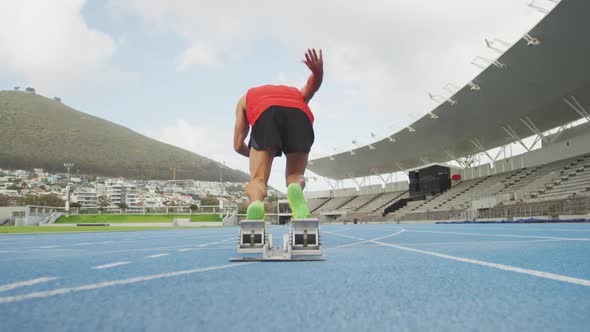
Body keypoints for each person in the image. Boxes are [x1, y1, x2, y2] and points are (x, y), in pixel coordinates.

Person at [233, 48, 324, 220]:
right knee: (295, 175)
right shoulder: (296, 94)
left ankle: (256, 205)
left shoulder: (245, 99)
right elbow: (312, 87)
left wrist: (261, 155)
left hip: (265, 114)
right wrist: (318, 72)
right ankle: (295, 189)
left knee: (258, 179)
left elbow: (238, 144)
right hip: (299, 114)